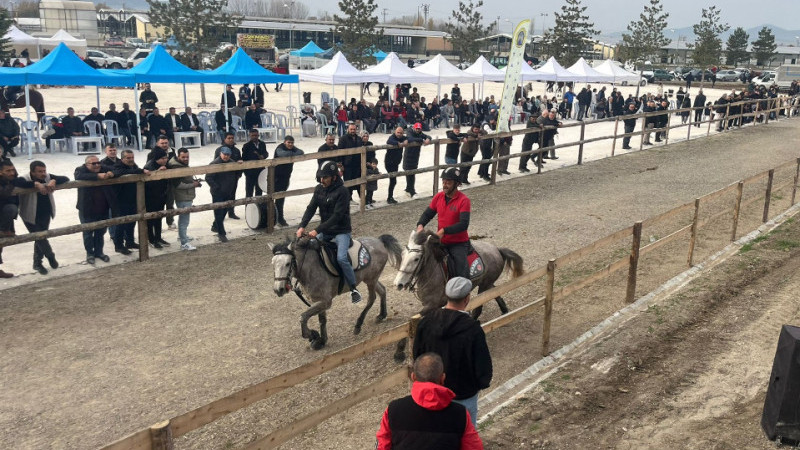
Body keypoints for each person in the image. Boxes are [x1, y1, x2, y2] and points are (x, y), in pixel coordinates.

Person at [413, 277, 492, 426]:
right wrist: (482, 382)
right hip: (463, 393)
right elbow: (482, 362)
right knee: (466, 434)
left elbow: (417, 355)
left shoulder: (425, 322)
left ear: (446, 295)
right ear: (467, 298)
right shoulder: (473, 329)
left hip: (433, 392)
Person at [375, 353, 483, 450]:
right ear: (442, 378)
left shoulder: (394, 409)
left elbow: (382, 445)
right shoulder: (460, 414)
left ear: (413, 377)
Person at [297, 160, 362, 303]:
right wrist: (302, 226)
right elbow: (311, 208)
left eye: (325, 177)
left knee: (342, 259)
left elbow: (337, 217)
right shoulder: (319, 189)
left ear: (334, 177)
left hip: (341, 232)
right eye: (320, 177)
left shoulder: (343, 192)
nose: (322, 180)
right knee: (307, 250)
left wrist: (317, 230)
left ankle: (353, 288)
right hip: (325, 231)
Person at [416, 166, 471, 279]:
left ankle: (464, 293)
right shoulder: (438, 197)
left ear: (457, 184)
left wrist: (444, 230)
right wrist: (420, 225)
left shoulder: (464, 201)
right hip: (440, 240)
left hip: (458, 243)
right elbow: (428, 214)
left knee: (461, 271)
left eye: (448, 182)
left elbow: (464, 224)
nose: (445, 185)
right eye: (443, 181)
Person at [18, 160, 69, 275]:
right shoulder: (25, 178)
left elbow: (66, 178)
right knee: (40, 237)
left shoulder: (48, 177)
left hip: (45, 213)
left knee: (41, 238)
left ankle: (37, 263)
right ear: (32, 172)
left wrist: (54, 180)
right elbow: (17, 183)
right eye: (40, 171)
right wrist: (35, 184)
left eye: (44, 170)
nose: (43, 174)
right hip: (30, 214)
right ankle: (50, 255)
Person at [74, 155, 116, 264]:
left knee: (100, 232)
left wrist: (112, 173)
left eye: (98, 163)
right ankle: (90, 254)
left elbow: (118, 169)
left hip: (103, 208)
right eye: (94, 164)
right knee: (88, 233)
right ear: (86, 164)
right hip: (87, 209)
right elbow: (79, 175)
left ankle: (99, 252)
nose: (97, 165)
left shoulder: (104, 168)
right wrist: (97, 176)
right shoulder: (80, 170)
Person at [111, 150, 147, 254]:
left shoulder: (133, 166)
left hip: (132, 199)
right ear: (122, 159)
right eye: (128, 158)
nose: (131, 160)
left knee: (132, 222)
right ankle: (119, 245)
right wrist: (139, 171)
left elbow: (137, 170)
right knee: (121, 223)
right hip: (120, 200)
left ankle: (130, 242)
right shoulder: (118, 166)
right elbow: (120, 173)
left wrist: (141, 170)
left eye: (132, 158)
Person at [168, 148, 201, 250]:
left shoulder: (179, 164)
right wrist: (193, 184)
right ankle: (184, 243)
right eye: (183, 157)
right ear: (178, 156)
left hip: (186, 195)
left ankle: (182, 236)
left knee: (183, 219)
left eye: (187, 157)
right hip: (182, 196)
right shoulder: (177, 167)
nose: (186, 159)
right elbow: (178, 185)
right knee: (184, 220)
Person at [207, 145, 241, 242]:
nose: (226, 156)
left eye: (228, 155)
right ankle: (221, 233)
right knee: (218, 212)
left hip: (228, 191)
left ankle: (215, 226)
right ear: (220, 154)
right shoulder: (214, 164)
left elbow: (237, 173)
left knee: (225, 210)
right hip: (217, 193)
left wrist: (239, 166)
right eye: (224, 154)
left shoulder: (232, 163)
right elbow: (208, 177)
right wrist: (216, 187)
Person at [0, 159, 26, 278]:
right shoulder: (8, 182)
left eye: (13, 170)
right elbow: (4, 194)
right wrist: (13, 183)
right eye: (8, 171)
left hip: (4, 217)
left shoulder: (11, 179)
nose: (12, 173)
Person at [142, 148, 171, 249]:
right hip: (150, 197)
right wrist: (157, 173)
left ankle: (158, 237)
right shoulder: (149, 166)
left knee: (159, 217)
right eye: (162, 158)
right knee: (150, 219)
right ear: (157, 158)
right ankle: (151, 239)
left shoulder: (165, 165)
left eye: (166, 158)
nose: (165, 160)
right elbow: (148, 183)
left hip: (161, 195)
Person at [273, 135, 303, 227]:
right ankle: (279, 219)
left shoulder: (292, 148)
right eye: (288, 142)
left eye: (292, 143)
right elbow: (282, 154)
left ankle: (278, 218)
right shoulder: (279, 147)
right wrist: (292, 154)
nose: (290, 144)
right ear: (284, 142)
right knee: (278, 198)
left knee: (281, 198)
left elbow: (301, 152)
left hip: (286, 177)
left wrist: (291, 153)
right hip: (276, 177)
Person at [403, 123, 431, 197]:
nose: (418, 130)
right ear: (414, 128)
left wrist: (428, 139)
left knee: (412, 173)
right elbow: (410, 139)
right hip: (408, 156)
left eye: (419, 129)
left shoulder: (420, 133)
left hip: (415, 156)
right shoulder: (409, 131)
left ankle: (408, 189)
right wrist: (422, 140)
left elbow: (428, 136)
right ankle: (412, 191)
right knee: (409, 173)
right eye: (417, 128)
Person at [338, 123, 362, 201]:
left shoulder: (359, 138)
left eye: (354, 129)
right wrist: (341, 165)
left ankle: (362, 199)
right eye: (351, 129)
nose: (352, 131)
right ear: (348, 129)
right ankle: (348, 199)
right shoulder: (343, 138)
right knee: (348, 183)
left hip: (357, 164)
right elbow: (339, 152)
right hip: (347, 164)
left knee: (358, 182)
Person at [242, 128, 268, 197]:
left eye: (256, 135)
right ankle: (248, 207)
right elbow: (244, 159)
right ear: (250, 136)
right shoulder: (246, 146)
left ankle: (258, 206)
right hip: (250, 172)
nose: (254, 137)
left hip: (260, 171)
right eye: (253, 135)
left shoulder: (262, 144)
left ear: (258, 135)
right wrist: (246, 172)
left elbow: (266, 153)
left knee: (259, 191)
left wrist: (263, 156)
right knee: (249, 192)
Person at [385, 126, 407, 204]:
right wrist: (398, 143)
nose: (399, 134)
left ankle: (390, 197)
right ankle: (389, 197)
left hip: (396, 163)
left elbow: (409, 139)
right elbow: (389, 141)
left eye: (401, 133)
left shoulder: (402, 137)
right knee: (393, 180)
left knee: (393, 181)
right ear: (395, 132)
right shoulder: (392, 137)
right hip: (389, 163)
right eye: (398, 132)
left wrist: (406, 141)